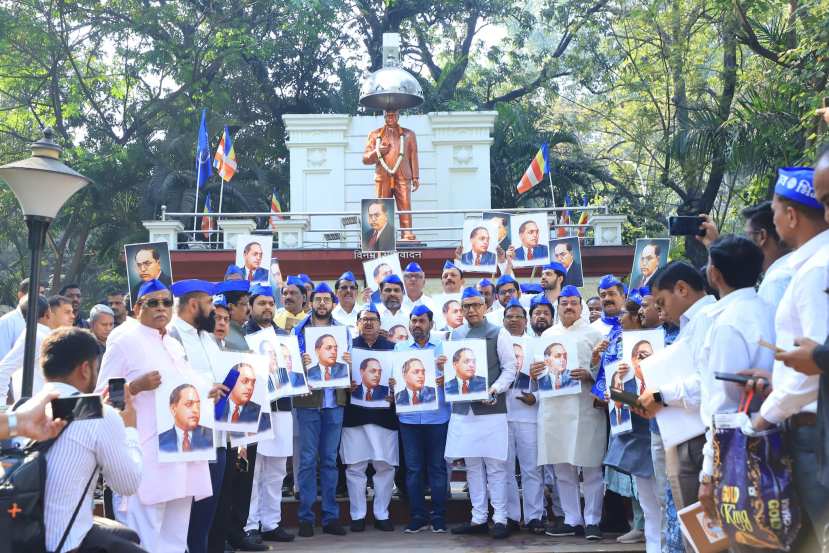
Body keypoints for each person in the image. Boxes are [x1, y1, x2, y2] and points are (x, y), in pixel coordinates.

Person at [95, 279, 211, 553]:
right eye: (153, 303)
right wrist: (136, 386)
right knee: (142, 538)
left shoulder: (172, 344)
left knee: (174, 539)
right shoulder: (123, 339)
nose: (161, 308)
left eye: (166, 303)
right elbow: (102, 395)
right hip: (145, 455)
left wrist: (209, 391)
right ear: (137, 308)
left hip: (181, 455)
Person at [750, 166, 829, 549]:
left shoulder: (817, 269)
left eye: (776, 211)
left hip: (813, 431)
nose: (775, 219)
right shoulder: (805, 267)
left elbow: (815, 365)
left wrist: (765, 416)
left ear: (792, 215)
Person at [681, 236, 774, 520]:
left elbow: (722, 406)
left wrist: (709, 474)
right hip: (773, 441)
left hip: (738, 452)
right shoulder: (768, 310)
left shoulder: (727, 323)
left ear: (714, 274)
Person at [40, 327, 145, 553]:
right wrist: (130, 428)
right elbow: (128, 484)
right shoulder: (99, 414)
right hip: (67, 544)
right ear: (85, 369)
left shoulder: (24, 408)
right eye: (96, 368)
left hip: (21, 533)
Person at [637, 261, 715, 512]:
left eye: (661, 303)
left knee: (703, 523)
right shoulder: (691, 323)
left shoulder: (706, 319)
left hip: (697, 432)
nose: (660, 311)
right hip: (684, 429)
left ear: (682, 289)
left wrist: (660, 395)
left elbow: (706, 382)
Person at [166, 278, 233, 553]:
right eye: (208, 303)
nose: (214, 310)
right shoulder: (171, 336)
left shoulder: (207, 337)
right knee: (187, 521)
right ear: (193, 304)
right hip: (191, 440)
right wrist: (208, 387)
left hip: (216, 436)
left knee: (206, 518)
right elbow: (175, 382)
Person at [446, 287, 517, 539]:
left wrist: (494, 389)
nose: (471, 310)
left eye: (476, 305)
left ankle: (499, 518)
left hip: (491, 409)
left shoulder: (499, 333)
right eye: (466, 306)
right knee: (473, 466)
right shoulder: (455, 335)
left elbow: (510, 369)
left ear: (485, 306)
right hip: (464, 410)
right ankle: (478, 518)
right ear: (461, 309)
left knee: (496, 466)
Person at [537, 286, 605, 540]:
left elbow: (606, 371)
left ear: (581, 306)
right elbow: (541, 370)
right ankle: (572, 519)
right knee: (562, 466)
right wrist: (536, 373)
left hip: (585, 406)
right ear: (558, 306)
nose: (568, 307)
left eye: (573, 303)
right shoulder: (548, 335)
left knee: (590, 466)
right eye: (564, 303)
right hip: (555, 409)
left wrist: (590, 375)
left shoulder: (594, 334)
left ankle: (593, 521)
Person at [293, 282, 351, 537]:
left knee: (329, 461)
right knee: (306, 461)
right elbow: (290, 369)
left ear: (333, 303)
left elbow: (349, 369)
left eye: (327, 300)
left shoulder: (342, 331)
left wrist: (348, 361)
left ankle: (330, 517)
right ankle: (305, 517)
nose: (322, 304)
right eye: (318, 299)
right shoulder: (299, 330)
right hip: (308, 403)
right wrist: (301, 363)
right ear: (310, 302)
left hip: (334, 403)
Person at [395, 305, 451, 533]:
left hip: (437, 417)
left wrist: (445, 376)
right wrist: (392, 383)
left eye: (422, 321)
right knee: (414, 468)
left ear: (431, 324)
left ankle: (438, 516)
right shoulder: (399, 348)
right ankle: (418, 516)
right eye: (414, 321)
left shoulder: (444, 348)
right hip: (408, 419)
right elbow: (395, 380)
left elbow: (455, 381)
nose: (417, 325)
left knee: (437, 468)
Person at [342, 305, 398, 532]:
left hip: (384, 415)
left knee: (384, 466)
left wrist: (396, 388)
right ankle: (357, 515)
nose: (368, 323)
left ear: (380, 323)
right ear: (357, 323)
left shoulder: (394, 349)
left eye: (373, 320)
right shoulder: (347, 349)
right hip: (355, 416)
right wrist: (346, 384)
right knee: (355, 467)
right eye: (364, 320)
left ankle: (381, 513)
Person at [500, 298, 545, 534]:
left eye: (519, 316)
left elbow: (549, 381)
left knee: (531, 468)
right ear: (503, 320)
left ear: (526, 320)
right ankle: (510, 515)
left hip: (529, 415)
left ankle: (534, 515)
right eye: (510, 316)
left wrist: (535, 397)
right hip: (501, 416)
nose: (514, 320)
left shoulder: (538, 345)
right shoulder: (496, 344)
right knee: (505, 469)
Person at [0, 294, 74, 401]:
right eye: (67, 312)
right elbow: (4, 370)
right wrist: (2, 408)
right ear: (49, 313)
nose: (72, 316)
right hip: (34, 411)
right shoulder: (36, 336)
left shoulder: (44, 335)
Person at [362, 110, 420, 241]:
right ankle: (382, 238)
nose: (390, 118)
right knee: (381, 206)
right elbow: (365, 159)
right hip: (383, 176)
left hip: (403, 175)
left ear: (398, 116)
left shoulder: (409, 134)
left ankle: (407, 234)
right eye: (388, 115)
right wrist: (377, 152)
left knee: (405, 205)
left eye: (393, 115)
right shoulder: (375, 134)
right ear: (384, 116)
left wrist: (416, 176)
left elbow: (413, 155)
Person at [159, 384, 214, 453]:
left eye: (198, 405)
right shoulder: (160, 442)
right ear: (173, 409)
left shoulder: (210, 437)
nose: (196, 410)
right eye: (189, 404)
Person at [0, 278, 35, 360]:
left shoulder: (43, 320)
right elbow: (2, 358)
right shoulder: (7, 322)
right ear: (21, 295)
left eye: (43, 293)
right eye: (36, 293)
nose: (41, 297)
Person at [215, 279, 251, 351]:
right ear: (231, 308)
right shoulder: (226, 338)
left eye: (249, 304)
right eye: (244, 304)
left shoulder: (244, 331)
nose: (249, 308)